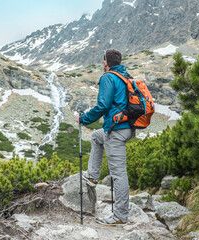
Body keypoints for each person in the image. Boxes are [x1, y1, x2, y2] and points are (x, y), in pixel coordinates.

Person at [76, 49, 133, 225]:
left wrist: (84, 119)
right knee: (96, 136)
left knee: (118, 174)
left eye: (103, 61)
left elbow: (103, 105)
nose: (103, 64)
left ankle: (120, 216)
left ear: (106, 62)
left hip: (116, 130)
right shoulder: (126, 77)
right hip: (126, 127)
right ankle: (93, 176)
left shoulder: (108, 77)